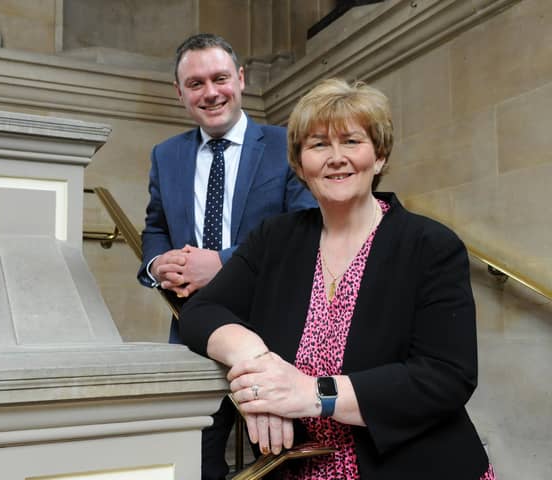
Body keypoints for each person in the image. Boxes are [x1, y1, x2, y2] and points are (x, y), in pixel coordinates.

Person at [179, 78, 496, 479]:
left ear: (379, 156)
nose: (336, 158)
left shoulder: (430, 245)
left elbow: (446, 377)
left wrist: (311, 394)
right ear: (299, 165)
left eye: (351, 142)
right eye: (318, 145)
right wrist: (256, 360)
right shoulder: (274, 239)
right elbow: (200, 311)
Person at [137, 34, 316, 480]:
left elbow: (307, 228)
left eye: (220, 78)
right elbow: (155, 226)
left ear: (240, 79)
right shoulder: (166, 155)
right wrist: (156, 265)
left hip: (274, 331)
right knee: (196, 457)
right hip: (192, 330)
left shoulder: (285, 144)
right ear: (179, 93)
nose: (210, 92)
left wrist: (224, 262)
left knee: (280, 456)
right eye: (195, 83)